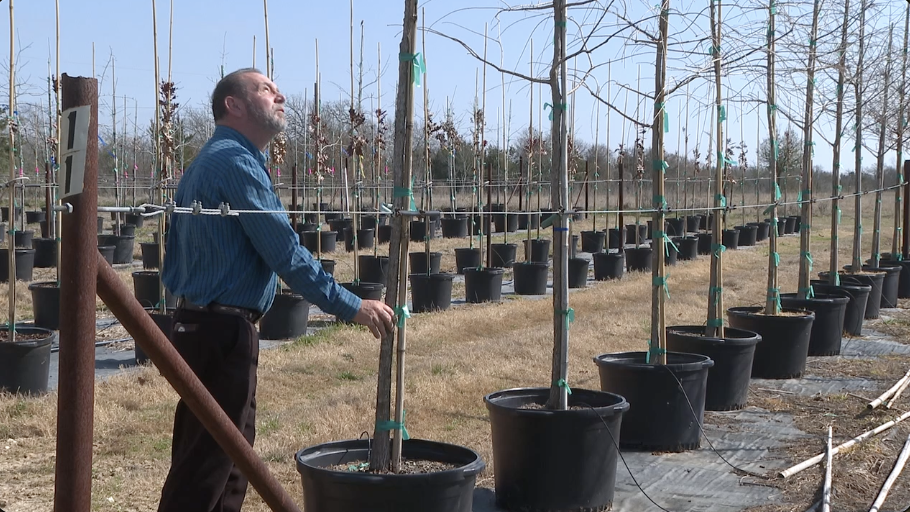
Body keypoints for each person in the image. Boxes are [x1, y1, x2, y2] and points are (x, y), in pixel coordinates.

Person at [159, 68, 395, 512]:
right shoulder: (236, 163)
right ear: (234, 104)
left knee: (228, 462)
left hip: (200, 323)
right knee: (206, 468)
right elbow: (285, 253)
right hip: (222, 330)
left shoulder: (207, 162)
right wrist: (350, 305)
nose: (280, 94)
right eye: (265, 89)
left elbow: (173, 261)